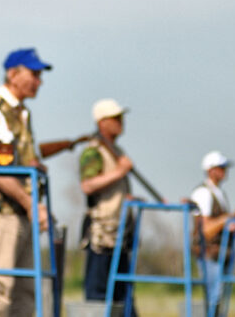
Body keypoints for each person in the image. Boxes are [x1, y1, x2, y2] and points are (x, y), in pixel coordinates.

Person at [0, 47, 51, 317]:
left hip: (18, 214)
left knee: (24, 295)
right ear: (12, 74)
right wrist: (31, 203)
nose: (38, 81)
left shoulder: (19, 113)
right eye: (34, 74)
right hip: (3, 213)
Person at [78, 100, 137, 313]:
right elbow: (88, 185)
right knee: (98, 298)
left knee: (124, 298)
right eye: (116, 118)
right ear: (102, 122)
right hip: (102, 236)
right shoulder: (94, 151)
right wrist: (120, 172)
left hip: (120, 235)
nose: (121, 122)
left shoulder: (116, 150)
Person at [189, 150, 235, 317]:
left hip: (220, 253)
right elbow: (205, 229)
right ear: (211, 170)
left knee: (218, 296)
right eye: (221, 167)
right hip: (208, 253)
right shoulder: (203, 193)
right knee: (213, 297)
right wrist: (225, 220)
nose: (225, 171)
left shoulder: (219, 193)